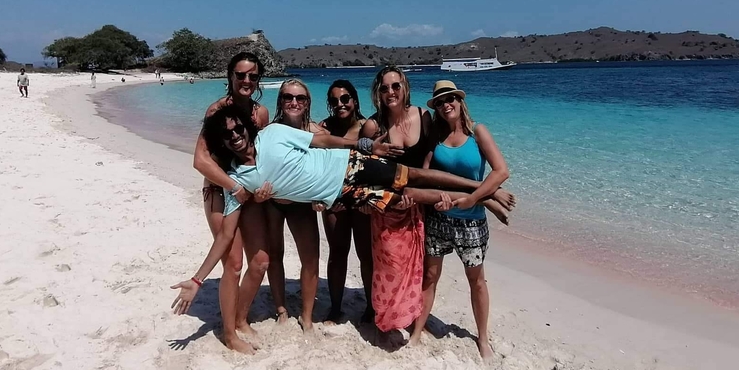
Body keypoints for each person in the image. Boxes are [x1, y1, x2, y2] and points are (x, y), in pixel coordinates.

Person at [170, 105, 515, 317]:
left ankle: (481, 190)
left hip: (349, 165)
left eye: (238, 129)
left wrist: (365, 145)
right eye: (227, 135)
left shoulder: (272, 133)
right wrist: (198, 279)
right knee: (406, 194)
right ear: (222, 142)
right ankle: (485, 196)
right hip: (342, 197)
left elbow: (320, 141)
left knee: (413, 175)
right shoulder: (238, 181)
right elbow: (226, 235)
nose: (235, 136)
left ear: (247, 127)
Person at [409, 81, 510, 358]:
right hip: (439, 220)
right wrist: (436, 200)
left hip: (472, 223)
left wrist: (474, 199)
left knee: (476, 280)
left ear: (460, 101)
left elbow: (500, 172)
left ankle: (483, 338)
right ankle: (417, 332)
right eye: (440, 102)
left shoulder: (478, 132)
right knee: (430, 277)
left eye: (450, 98)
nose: (446, 105)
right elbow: (426, 176)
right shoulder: (435, 137)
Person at [190, 52, 271, 354]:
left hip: (247, 195)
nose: (247, 80)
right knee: (234, 264)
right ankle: (229, 334)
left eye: (252, 76)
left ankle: (240, 317)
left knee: (260, 261)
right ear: (230, 77)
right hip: (218, 193)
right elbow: (200, 160)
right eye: (241, 75)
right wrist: (233, 186)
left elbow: (261, 155)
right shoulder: (216, 111)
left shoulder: (259, 114)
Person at [359, 66, 434, 336]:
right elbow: (360, 167)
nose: (390, 92)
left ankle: (410, 315)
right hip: (387, 208)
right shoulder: (374, 125)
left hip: (418, 205)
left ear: (405, 88)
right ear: (377, 93)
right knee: (389, 266)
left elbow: (429, 157)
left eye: (395, 86)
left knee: (417, 265)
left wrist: (422, 193)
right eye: (384, 88)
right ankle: (387, 317)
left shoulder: (424, 116)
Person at [258, 79, 323, 331]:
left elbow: (326, 170)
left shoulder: (316, 133)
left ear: (308, 103)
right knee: (275, 255)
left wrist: (321, 197)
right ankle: (281, 308)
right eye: (288, 97)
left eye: (300, 98)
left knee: (311, 259)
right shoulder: (269, 131)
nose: (294, 102)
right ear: (280, 101)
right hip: (272, 202)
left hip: (301, 204)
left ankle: (306, 316)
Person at [320, 79, 374, 323]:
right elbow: (317, 166)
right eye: (334, 100)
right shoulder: (324, 128)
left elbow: (377, 167)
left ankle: (372, 307)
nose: (340, 104)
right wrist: (326, 198)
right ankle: (335, 307)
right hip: (335, 201)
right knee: (337, 253)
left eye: (345, 99)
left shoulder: (368, 127)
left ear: (354, 100)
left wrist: (367, 198)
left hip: (362, 201)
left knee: (366, 254)